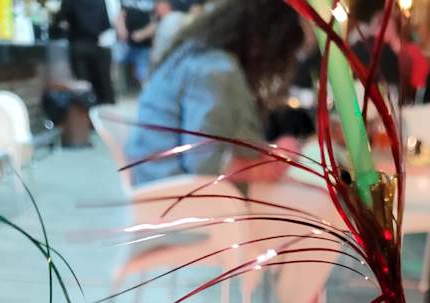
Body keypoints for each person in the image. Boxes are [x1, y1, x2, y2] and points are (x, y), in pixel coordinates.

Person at [127, 0, 303, 182]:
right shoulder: (216, 69)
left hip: (153, 177)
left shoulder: (194, 53)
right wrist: (276, 161)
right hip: (174, 187)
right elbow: (205, 165)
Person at [55, 0, 116, 105]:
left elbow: (60, 19)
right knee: (103, 83)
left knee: (83, 85)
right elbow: (106, 23)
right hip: (98, 44)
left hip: (78, 44)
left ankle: (87, 107)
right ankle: (105, 108)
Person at [117, 0, 157, 88]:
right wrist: (121, 29)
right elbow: (120, 16)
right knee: (115, 64)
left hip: (144, 45)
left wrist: (143, 34)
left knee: (143, 75)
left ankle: (146, 91)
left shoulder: (152, 2)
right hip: (125, 43)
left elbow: (156, 21)